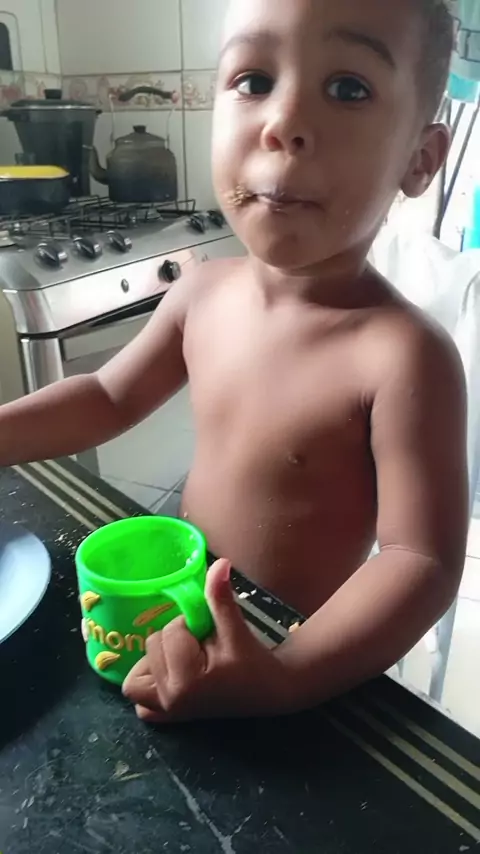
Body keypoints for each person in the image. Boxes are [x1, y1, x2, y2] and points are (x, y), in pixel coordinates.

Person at [0, 0, 468, 723]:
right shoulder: (201, 291)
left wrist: (286, 677)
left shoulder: (404, 357)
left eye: (347, 88)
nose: (283, 122)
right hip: (180, 611)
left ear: (420, 158)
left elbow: (420, 561)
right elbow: (106, 398)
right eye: (254, 80)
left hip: (296, 656)